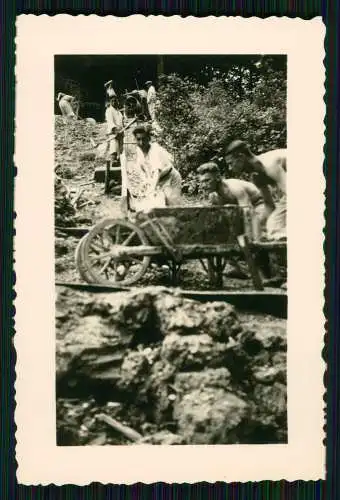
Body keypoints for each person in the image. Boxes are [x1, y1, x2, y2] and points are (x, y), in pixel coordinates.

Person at [225, 140, 286, 240]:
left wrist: (272, 225)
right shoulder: (256, 176)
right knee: (267, 228)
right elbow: (269, 205)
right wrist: (259, 224)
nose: (230, 168)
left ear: (241, 157)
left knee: (274, 228)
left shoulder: (269, 165)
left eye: (231, 163)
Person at [197, 162, 272, 241]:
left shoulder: (234, 188)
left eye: (207, 180)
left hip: (259, 205)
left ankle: (258, 242)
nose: (203, 185)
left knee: (255, 234)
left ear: (218, 177)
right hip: (241, 211)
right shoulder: (213, 196)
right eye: (201, 182)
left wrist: (250, 239)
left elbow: (248, 212)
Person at [120, 123, 182, 214]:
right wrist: (144, 185)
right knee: (155, 203)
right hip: (159, 180)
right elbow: (143, 171)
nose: (141, 143)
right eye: (138, 139)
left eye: (144, 139)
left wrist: (150, 191)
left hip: (170, 178)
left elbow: (157, 173)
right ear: (135, 139)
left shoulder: (155, 150)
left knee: (172, 207)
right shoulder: (139, 151)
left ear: (149, 138)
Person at [105, 97, 124, 162]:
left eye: (115, 101)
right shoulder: (109, 110)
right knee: (114, 146)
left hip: (120, 132)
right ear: (110, 102)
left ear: (117, 102)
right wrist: (115, 129)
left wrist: (123, 128)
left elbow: (121, 121)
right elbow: (110, 121)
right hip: (113, 132)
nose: (114, 102)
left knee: (120, 149)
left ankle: (119, 161)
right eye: (112, 101)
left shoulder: (118, 111)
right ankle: (113, 160)